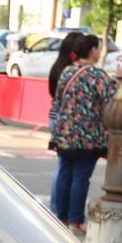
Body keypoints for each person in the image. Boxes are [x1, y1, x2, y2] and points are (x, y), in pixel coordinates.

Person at [48, 34, 116, 236]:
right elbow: (113, 97)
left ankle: (61, 217)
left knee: (65, 174)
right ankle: (76, 219)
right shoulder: (97, 75)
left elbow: (59, 99)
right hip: (87, 135)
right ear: (93, 50)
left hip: (65, 133)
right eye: (98, 48)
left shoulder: (67, 71)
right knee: (81, 177)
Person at [45, 31, 83, 218]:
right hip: (65, 120)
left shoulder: (57, 67)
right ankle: (57, 208)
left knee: (62, 166)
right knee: (66, 168)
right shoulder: (70, 70)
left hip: (55, 116)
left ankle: (56, 207)